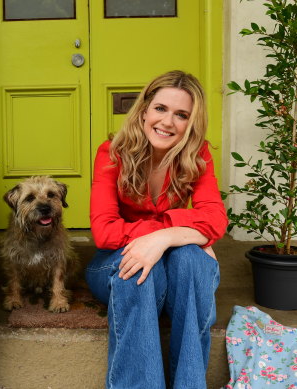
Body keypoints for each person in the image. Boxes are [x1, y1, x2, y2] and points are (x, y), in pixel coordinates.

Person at [86, 70, 227, 388]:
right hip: (113, 260)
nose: (167, 122)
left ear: (191, 123)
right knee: (137, 270)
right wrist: (187, 231)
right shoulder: (112, 153)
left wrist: (166, 239)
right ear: (145, 109)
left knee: (191, 259)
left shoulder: (198, 155)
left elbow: (216, 219)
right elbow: (106, 232)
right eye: (161, 108)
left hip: (175, 266)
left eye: (181, 115)